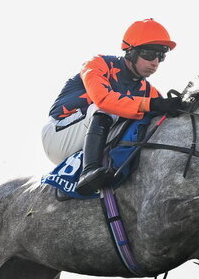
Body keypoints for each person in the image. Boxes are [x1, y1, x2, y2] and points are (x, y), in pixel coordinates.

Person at [42, 18, 185, 195]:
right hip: (58, 136)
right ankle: (89, 171)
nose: (155, 62)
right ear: (130, 52)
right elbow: (103, 100)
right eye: (149, 54)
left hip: (91, 138)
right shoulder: (97, 64)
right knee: (107, 108)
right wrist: (152, 103)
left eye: (161, 56)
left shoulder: (149, 90)